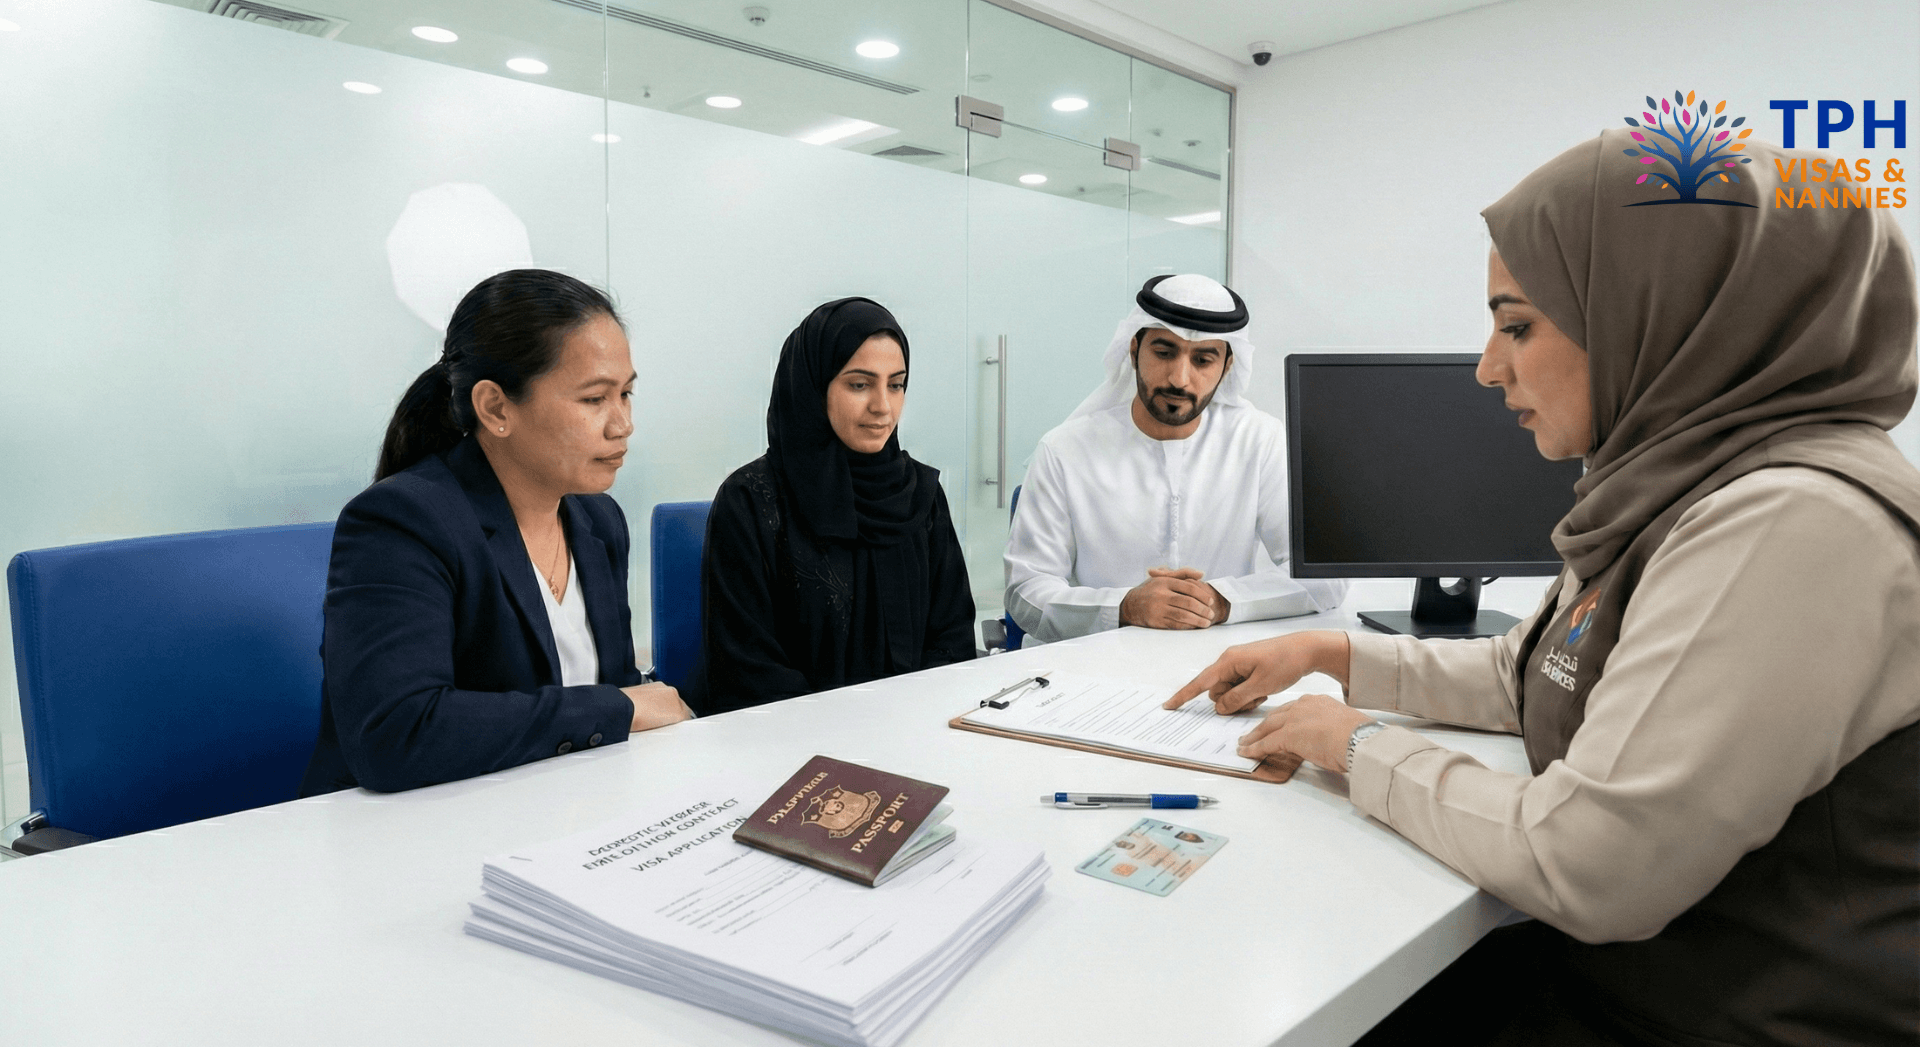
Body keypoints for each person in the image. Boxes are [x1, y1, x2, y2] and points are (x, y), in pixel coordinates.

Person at [1169, 130, 1920, 1045]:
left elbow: (1591, 863)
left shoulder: (1793, 520)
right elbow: (1535, 671)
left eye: (1518, 325)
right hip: (1649, 978)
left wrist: (1355, 744)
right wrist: (1326, 652)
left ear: (1660, 312)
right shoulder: (1676, 484)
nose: (1488, 368)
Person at [301, 270, 690, 795]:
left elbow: (615, 694)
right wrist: (618, 707)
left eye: (626, 393)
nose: (622, 424)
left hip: (556, 810)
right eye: (594, 399)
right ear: (496, 407)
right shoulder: (401, 521)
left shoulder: (599, 520)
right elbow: (397, 734)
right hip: (415, 827)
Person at [1003, 274, 1346, 644]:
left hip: (1223, 659)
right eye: (1164, 353)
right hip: (1098, 657)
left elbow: (1327, 576)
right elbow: (1026, 592)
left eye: (1203, 360)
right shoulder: (1064, 449)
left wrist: (1222, 601)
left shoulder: (1259, 441)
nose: (1179, 379)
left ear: (1227, 366)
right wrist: (1124, 606)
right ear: (1134, 350)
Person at [693, 298, 974, 713]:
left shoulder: (920, 495)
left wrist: (916, 724)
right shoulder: (750, 501)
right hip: (790, 740)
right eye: (859, 385)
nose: (882, 406)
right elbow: (748, 672)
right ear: (813, 385)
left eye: (895, 385)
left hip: (916, 730)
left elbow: (953, 641)